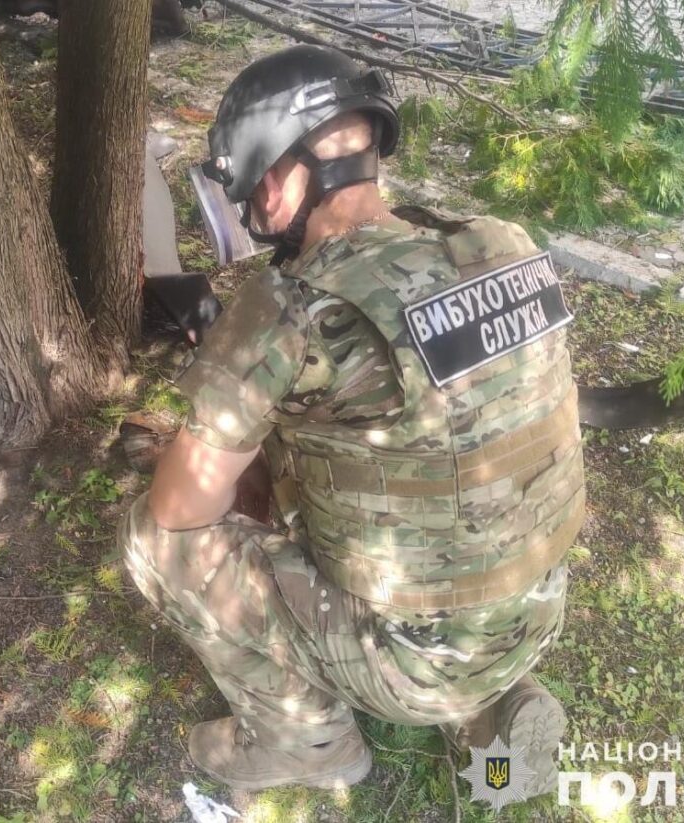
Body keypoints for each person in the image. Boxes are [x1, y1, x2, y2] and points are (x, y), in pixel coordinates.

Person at [113, 44, 585, 794]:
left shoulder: (293, 311)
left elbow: (179, 507)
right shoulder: (500, 247)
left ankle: (309, 744)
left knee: (151, 536)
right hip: (533, 605)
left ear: (274, 178)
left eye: (245, 187)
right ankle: (490, 717)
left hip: (410, 657)